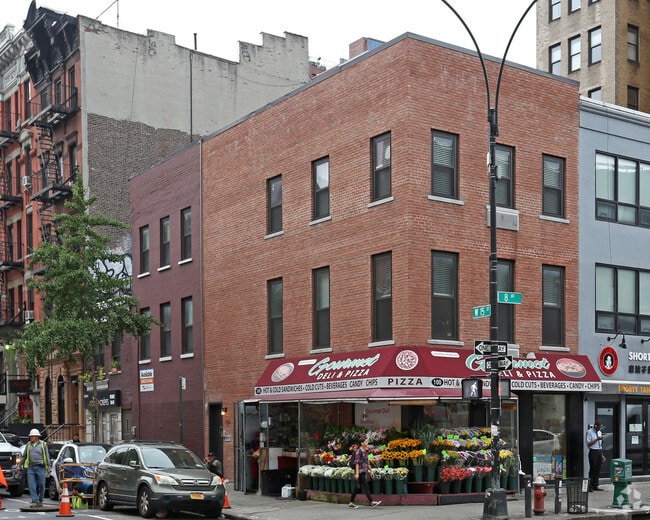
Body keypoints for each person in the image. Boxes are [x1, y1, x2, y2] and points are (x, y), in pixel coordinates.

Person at [348, 438, 381, 508]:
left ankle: (351, 502)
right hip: (360, 471)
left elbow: (367, 462)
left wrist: (371, 471)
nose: (367, 442)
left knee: (357, 487)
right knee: (365, 486)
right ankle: (371, 502)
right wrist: (357, 473)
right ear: (362, 443)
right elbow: (357, 463)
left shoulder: (365, 451)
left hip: (364, 471)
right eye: (365, 441)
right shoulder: (358, 451)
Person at [23, 428, 51, 508]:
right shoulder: (28, 445)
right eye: (30, 436)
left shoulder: (43, 444)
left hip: (40, 467)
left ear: (37, 437)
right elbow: (24, 456)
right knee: (32, 485)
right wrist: (19, 466)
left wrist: (48, 467)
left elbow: (47, 456)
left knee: (41, 485)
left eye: (32, 436)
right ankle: (35, 501)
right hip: (31, 467)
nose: (31, 437)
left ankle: (40, 500)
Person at [586, 421, 605, 491]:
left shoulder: (599, 432)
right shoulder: (589, 432)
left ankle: (595, 485)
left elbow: (600, 445)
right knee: (593, 468)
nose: (600, 428)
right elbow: (589, 443)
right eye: (599, 427)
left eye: (601, 427)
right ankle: (590, 486)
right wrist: (597, 439)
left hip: (599, 451)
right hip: (593, 451)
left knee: (598, 469)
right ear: (596, 426)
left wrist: (602, 455)